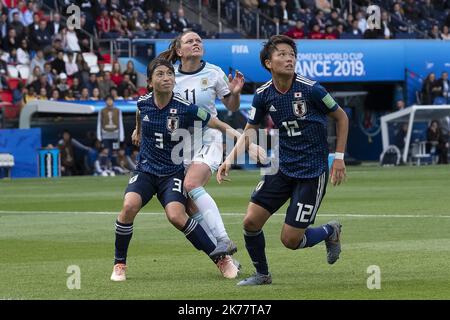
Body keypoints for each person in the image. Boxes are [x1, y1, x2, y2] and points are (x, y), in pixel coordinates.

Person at [111, 58, 261, 281]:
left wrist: (247, 141)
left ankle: (221, 260)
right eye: (160, 74)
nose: (167, 78)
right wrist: (138, 130)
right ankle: (119, 265)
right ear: (150, 81)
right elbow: (139, 114)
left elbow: (219, 124)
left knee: (176, 216)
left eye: (169, 74)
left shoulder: (185, 108)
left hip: (172, 173)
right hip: (144, 171)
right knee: (128, 206)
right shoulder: (143, 102)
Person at [216, 35, 349, 286]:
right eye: (282, 54)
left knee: (290, 240)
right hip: (282, 166)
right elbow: (249, 130)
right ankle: (262, 275)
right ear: (268, 62)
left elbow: (342, 118)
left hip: (311, 172)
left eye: (292, 54)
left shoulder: (312, 89)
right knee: (250, 221)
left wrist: (339, 158)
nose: (289, 59)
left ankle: (330, 231)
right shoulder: (263, 95)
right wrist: (229, 160)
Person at [132, 31, 245, 264]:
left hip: (209, 136)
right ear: (179, 50)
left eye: (199, 41)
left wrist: (234, 93)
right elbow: (147, 105)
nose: (196, 43)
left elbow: (231, 108)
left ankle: (223, 239)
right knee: (189, 204)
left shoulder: (214, 73)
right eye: (190, 41)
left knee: (191, 184)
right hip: (180, 144)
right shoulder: (169, 75)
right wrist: (138, 130)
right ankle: (223, 256)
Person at [97, 95, 124, 165]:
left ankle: (115, 166)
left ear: (113, 101)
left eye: (110, 100)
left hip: (115, 134)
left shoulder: (118, 110)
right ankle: (106, 166)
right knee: (106, 151)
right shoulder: (102, 111)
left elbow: (120, 123)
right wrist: (99, 136)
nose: (109, 102)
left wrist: (121, 136)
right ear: (105, 102)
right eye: (107, 100)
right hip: (105, 134)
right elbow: (99, 123)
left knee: (114, 151)